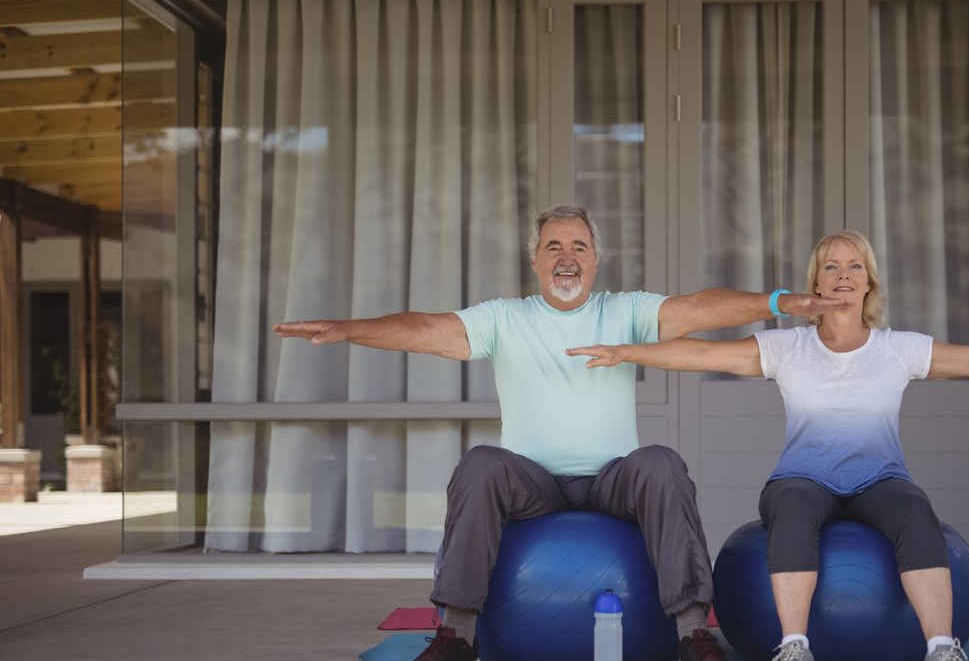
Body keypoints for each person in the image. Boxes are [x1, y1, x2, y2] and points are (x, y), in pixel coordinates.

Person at [274, 205, 846, 661]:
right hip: (534, 484)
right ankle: (457, 635)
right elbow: (424, 329)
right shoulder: (504, 318)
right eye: (554, 247)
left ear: (596, 260)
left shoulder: (625, 310)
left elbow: (698, 309)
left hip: (612, 481)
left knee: (661, 463)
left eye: (579, 247)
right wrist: (348, 329)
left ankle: (693, 634)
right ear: (536, 263)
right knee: (479, 464)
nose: (566, 257)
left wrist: (778, 302)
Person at [567, 229, 969, 661]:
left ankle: (942, 646)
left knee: (917, 513)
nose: (843, 274)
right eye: (831, 265)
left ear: (869, 281)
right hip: (802, 479)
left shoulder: (897, 348)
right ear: (815, 282)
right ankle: (794, 645)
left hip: (879, 478)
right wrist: (625, 352)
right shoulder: (787, 348)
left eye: (855, 265)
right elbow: (700, 353)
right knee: (791, 511)